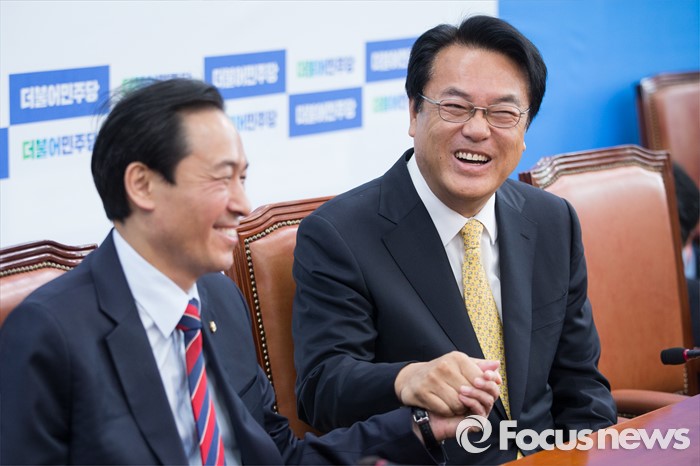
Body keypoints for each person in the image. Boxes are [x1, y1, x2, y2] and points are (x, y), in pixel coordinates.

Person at [0, 78, 501, 465]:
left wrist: (420, 426)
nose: (242, 205)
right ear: (142, 185)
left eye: (243, 178)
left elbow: (280, 456)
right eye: (222, 180)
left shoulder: (217, 300)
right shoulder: (50, 333)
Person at [292, 15, 617, 465]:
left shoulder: (551, 220)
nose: (478, 130)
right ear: (414, 112)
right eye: (456, 107)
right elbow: (323, 389)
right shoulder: (339, 234)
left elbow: (581, 387)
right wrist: (406, 379)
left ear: (525, 129)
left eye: (503, 113)